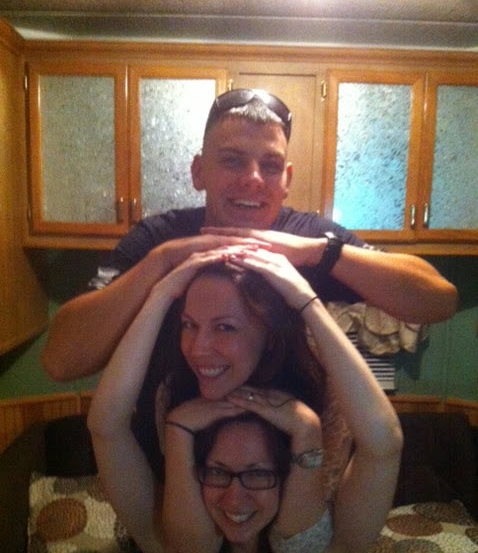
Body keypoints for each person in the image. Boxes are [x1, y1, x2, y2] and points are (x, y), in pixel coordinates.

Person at [42, 88, 457, 385]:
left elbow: (439, 300)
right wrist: (162, 262)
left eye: (270, 166)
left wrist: (320, 253)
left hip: (288, 471)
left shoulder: (314, 237)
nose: (253, 179)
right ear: (199, 171)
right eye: (232, 160)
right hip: (164, 469)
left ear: (286, 180)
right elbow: (61, 361)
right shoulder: (158, 238)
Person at [87, 245, 403, 553]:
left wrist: (306, 302)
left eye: (257, 475)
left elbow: (384, 442)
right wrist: (161, 292)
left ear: (287, 476)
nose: (235, 497)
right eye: (217, 472)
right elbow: (105, 427)